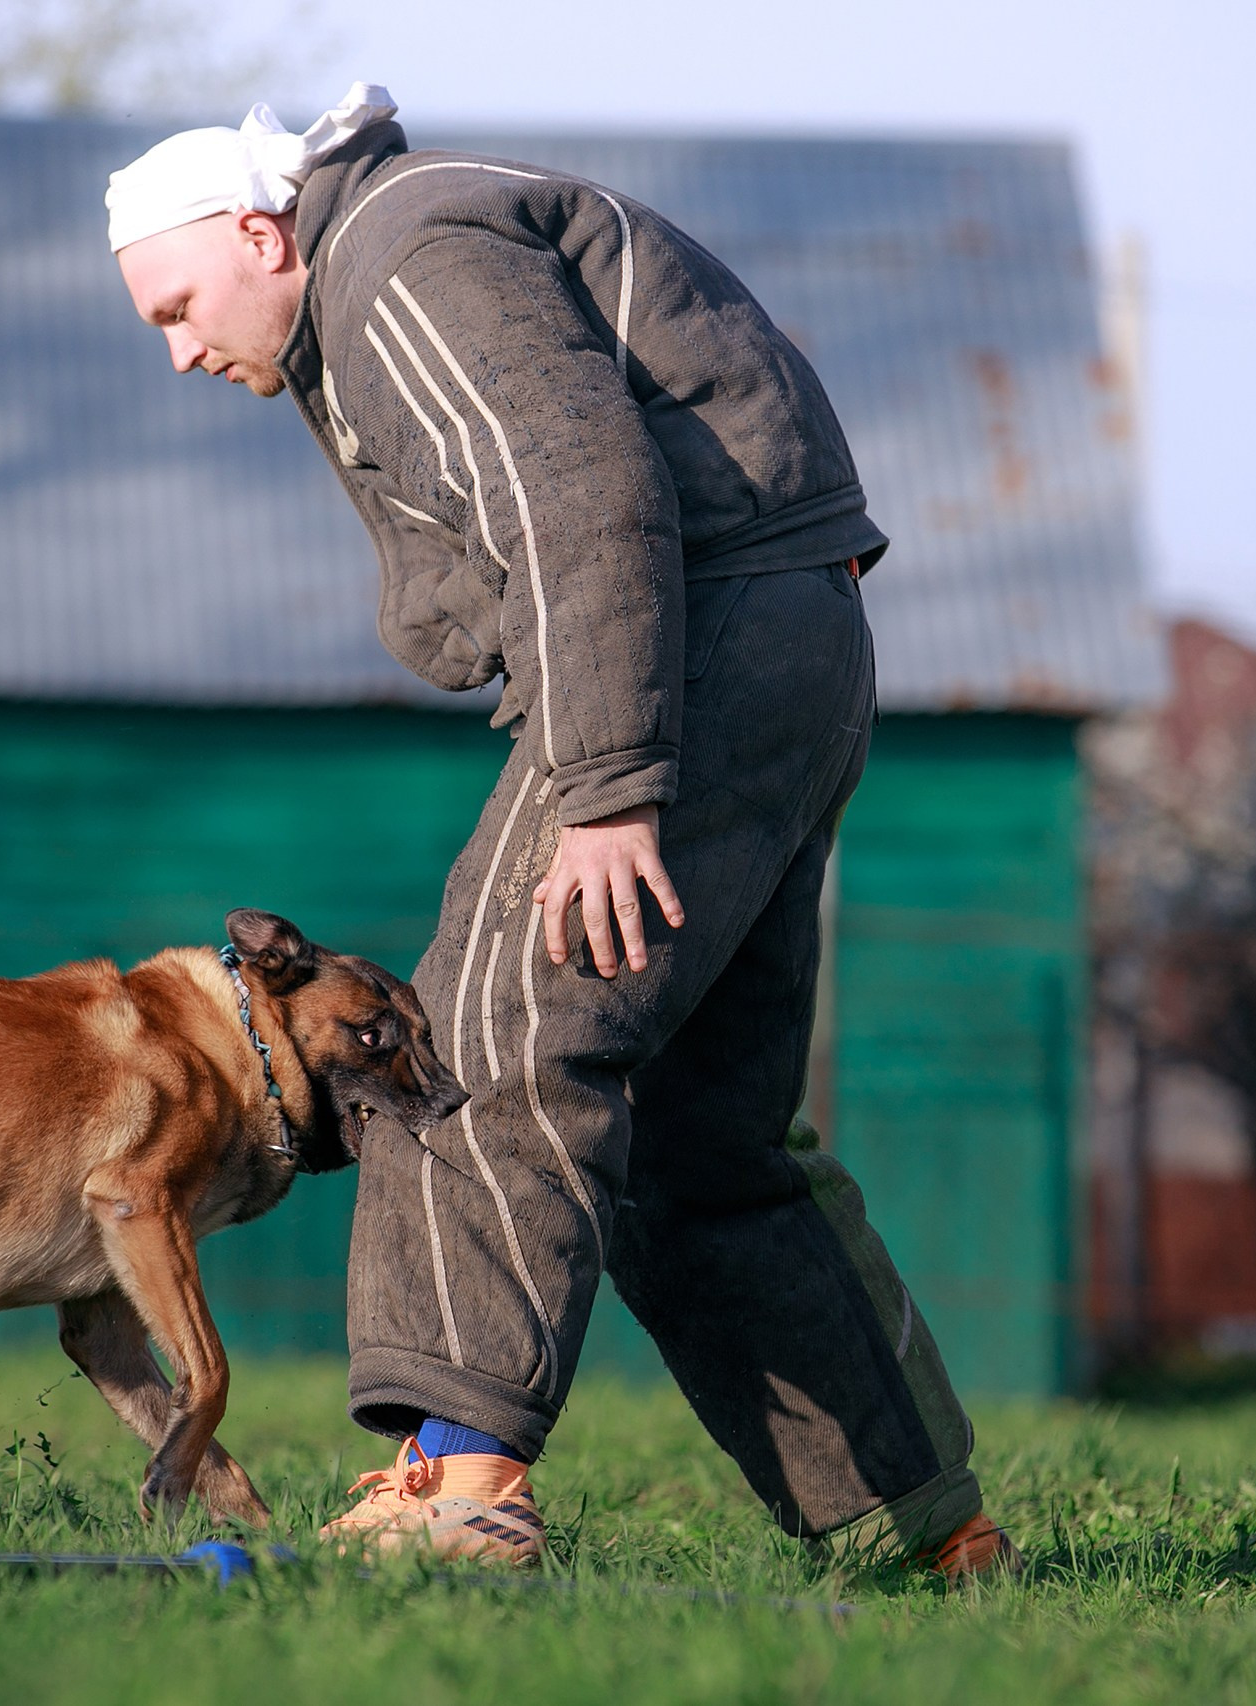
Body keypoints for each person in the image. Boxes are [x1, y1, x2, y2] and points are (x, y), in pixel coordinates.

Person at [106, 83, 1016, 1580]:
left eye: (179, 305)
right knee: (699, 1132)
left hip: (694, 642)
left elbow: (575, 492)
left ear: (265, 232)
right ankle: (924, 1532)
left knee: (477, 1028)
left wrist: (604, 785)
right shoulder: (399, 251)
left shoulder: (395, 255)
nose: (180, 347)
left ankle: (458, 1488)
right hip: (780, 637)